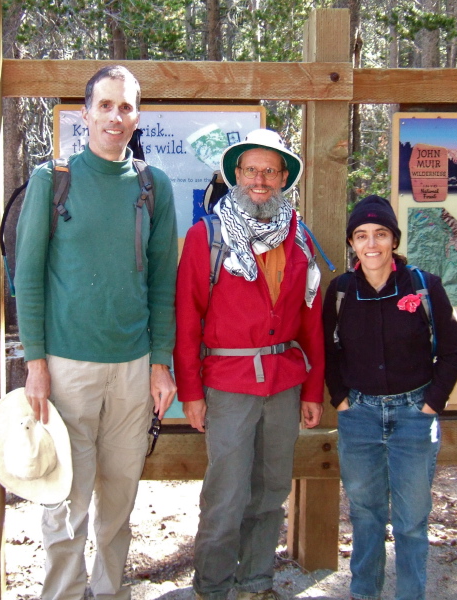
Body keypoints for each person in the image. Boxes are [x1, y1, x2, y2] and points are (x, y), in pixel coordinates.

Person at [13, 65, 178, 600]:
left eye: (125, 107)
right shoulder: (51, 180)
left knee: (119, 499)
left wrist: (161, 362)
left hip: (133, 369)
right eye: (104, 105)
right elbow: (28, 276)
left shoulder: (155, 187)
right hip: (66, 368)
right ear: (84, 113)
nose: (115, 117)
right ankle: (62, 593)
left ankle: (108, 592)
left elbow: (162, 281)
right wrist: (35, 364)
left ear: (137, 115)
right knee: (64, 498)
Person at [174, 129, 325, 600]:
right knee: (226, 495)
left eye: (271, 171)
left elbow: (312, 321)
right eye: (251, 170)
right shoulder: (208, 237)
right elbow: (186, 320)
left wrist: (314, 390)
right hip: (228, 385)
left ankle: (256, 582)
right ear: (236, 174)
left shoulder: (299, 239)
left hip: (283, 385)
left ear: (283, 178)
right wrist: (192, 394)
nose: (260, 179)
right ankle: (214, 587)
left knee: (271, 490)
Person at [323, 195, 457, 600]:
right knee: (366, 517)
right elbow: (328, 351)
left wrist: (431, 405)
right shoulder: (341, 292)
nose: (372, 243)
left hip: (413, 416)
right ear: (352, 243)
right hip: (360, 416)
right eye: (362, 235)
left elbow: (452, 350)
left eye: (381, 234)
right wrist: (342, 400)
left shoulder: (423, 286)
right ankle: (364, 594)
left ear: (394, 240)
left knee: (410, 521)